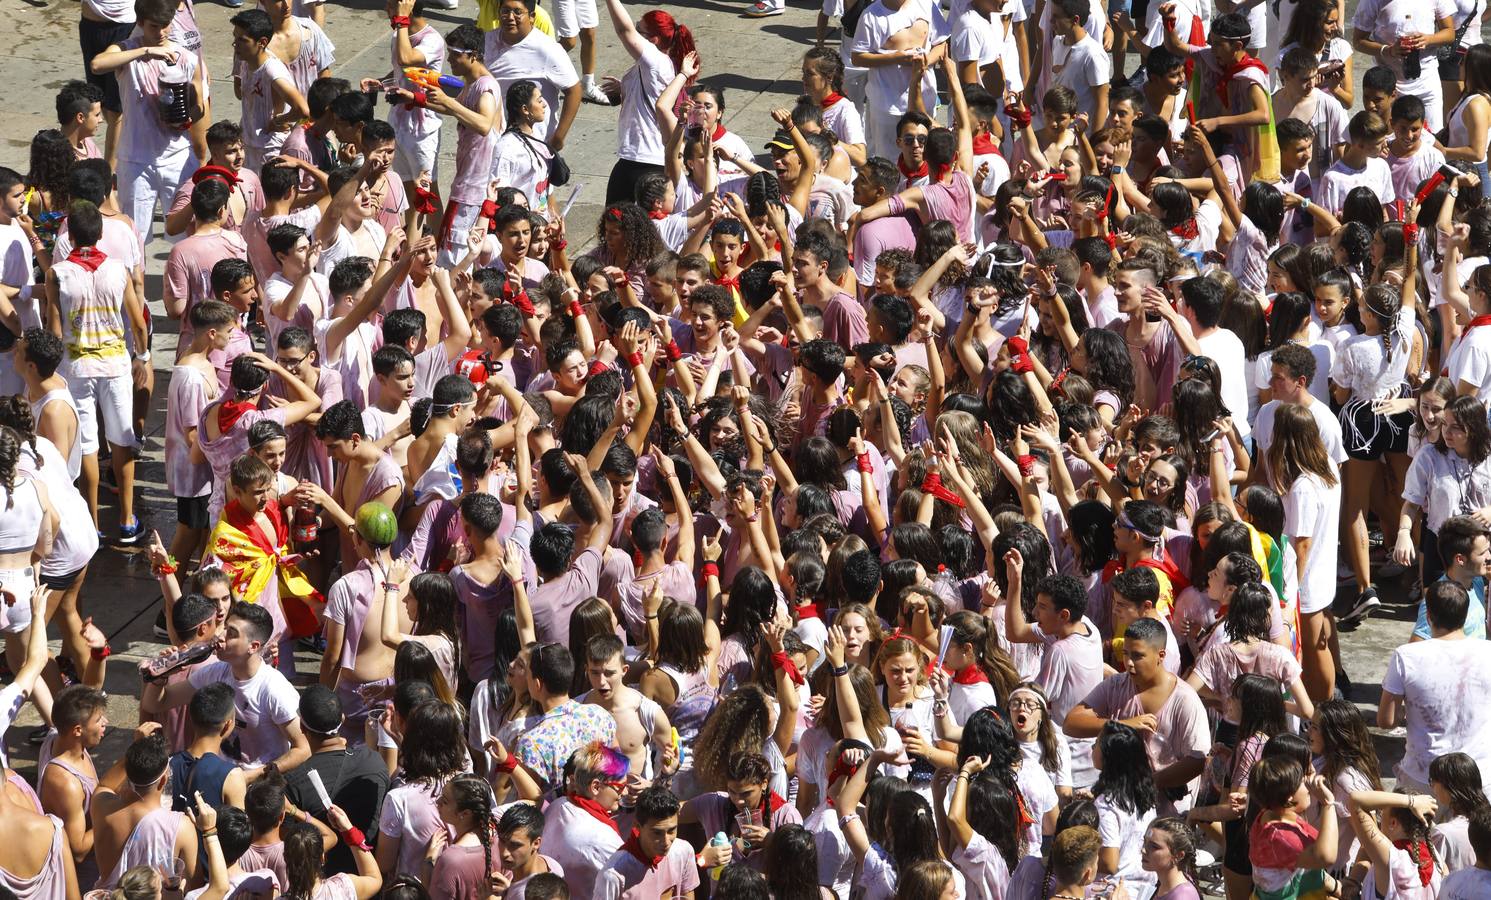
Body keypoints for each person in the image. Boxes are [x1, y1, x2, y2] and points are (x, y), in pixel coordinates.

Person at [143, 601, 310, 775]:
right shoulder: (215, 673)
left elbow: (303, 748)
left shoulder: (274, 689)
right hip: (221, 777)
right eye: (225, 628)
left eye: (232, 633)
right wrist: (161, 676)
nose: (221, 636)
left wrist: (252, 777)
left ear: (253, 647)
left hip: (261, 788)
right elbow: (155, 704)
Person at [1380, 580, 1491, 791]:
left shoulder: (1406, 656)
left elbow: (1386, 720)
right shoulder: (1488, 651)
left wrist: (1412, 707)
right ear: (1465, 616)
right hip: (1481, 777)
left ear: (1428, 616)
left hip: (1423, 779)